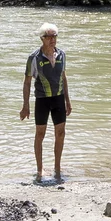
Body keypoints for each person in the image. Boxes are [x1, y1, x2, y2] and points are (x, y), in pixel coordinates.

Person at [19, 23, 72, 184]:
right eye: (49, 37)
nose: (52, 39)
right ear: (42, 38)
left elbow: (64, 78)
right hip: (42, 99)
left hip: (58, 98)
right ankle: (39, 169)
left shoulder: (61, 54)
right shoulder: (34, 57)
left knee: (60, 133)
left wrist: (67, 101)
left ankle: (57, 167)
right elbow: (27, 82)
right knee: (40, 134)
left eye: (54, 36)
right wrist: (25, 105)